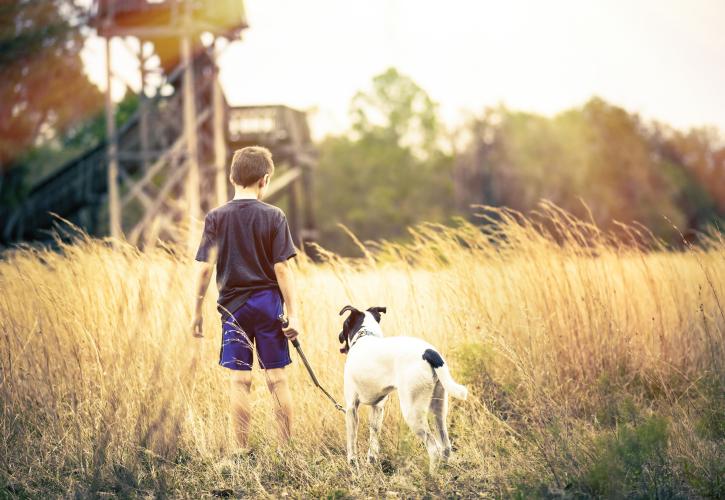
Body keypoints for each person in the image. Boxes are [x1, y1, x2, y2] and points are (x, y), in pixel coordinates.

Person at [190, 146, 301, 452]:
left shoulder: (216, 217)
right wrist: (294, 313)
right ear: (265, 180)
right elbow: (282, 268)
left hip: (233, 310)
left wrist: (196, 311)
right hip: (268, 306)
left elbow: (204, 271)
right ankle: (284, 451)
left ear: (231, 177)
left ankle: (240, 450)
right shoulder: (274, 216)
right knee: (277, 380)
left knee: (240, 382)